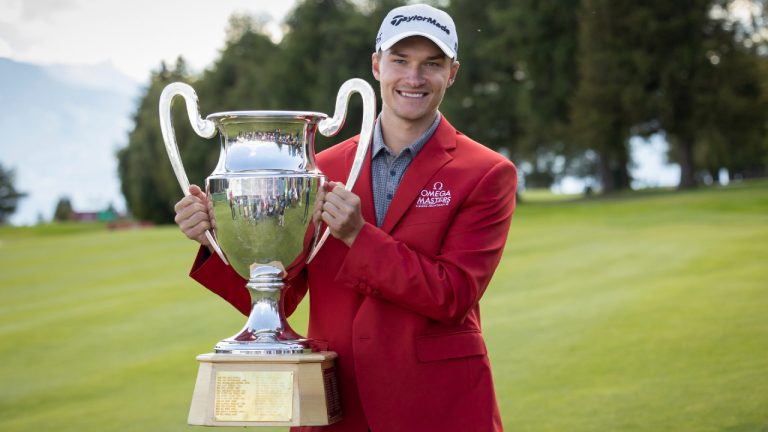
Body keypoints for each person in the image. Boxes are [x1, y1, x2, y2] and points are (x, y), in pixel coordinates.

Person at [174, 4, 516, 431]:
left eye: (432, 64)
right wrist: (215, 240)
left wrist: (359, 235)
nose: (414, 78)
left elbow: (453, 295)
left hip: (436, 402)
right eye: (400, 61)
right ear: (376, 65)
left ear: (452, 73)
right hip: (335, 401)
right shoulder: (319, 168)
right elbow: (279, 293)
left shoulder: (484, 173)